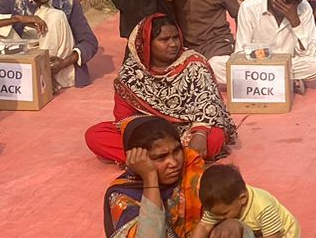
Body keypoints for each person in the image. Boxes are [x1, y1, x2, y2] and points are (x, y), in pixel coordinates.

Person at [84, 15, 236, 166]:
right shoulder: (131, 73)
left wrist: (200, 133)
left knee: (215, 138)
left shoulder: (195, 64)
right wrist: (148, 138)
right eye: (164, 39)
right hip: (148, 135)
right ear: (147, 43)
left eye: (175, 38)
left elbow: (209, 108)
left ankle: (152, 162)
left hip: (187, 131)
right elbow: (124, 119)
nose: (173, 44)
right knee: (95, 135)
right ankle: (174, 160)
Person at [81, 116, 206, 238]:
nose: (173, 163)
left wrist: (231, 223)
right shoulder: (122, 195)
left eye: (177, 151)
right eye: (160, 158)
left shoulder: (192, 170)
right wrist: (150, 179)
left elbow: (228, 205)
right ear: (138, 162)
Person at [232, 0, 316, 88]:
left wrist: (295, 22)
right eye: (283, 4)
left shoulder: (303, 7)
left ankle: (269, 83)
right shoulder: (249, 7)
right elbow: (240, 52)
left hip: (289, 64)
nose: (288, 9)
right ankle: (286, 82)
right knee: (216, 65)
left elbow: (310, 53)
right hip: (257, 65)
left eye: (292, 5)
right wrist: (260, 62)